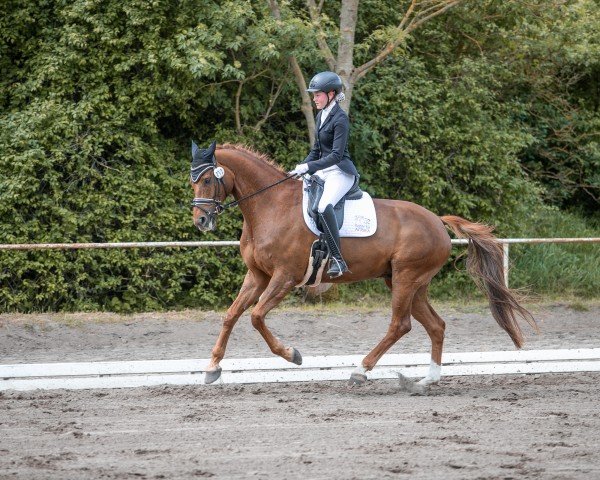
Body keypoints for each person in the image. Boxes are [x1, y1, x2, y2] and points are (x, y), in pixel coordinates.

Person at [288, 71, 360, 278]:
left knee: (322, 205)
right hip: (324, 170)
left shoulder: (340, 119)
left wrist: (310, 167)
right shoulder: (321, 115)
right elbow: (316, 151)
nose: (314, 98)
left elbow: (336, 156)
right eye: (314, 95)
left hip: (341, 172)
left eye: (317, 94)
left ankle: (338, 258)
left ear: (330, 94)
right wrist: (302, 166)